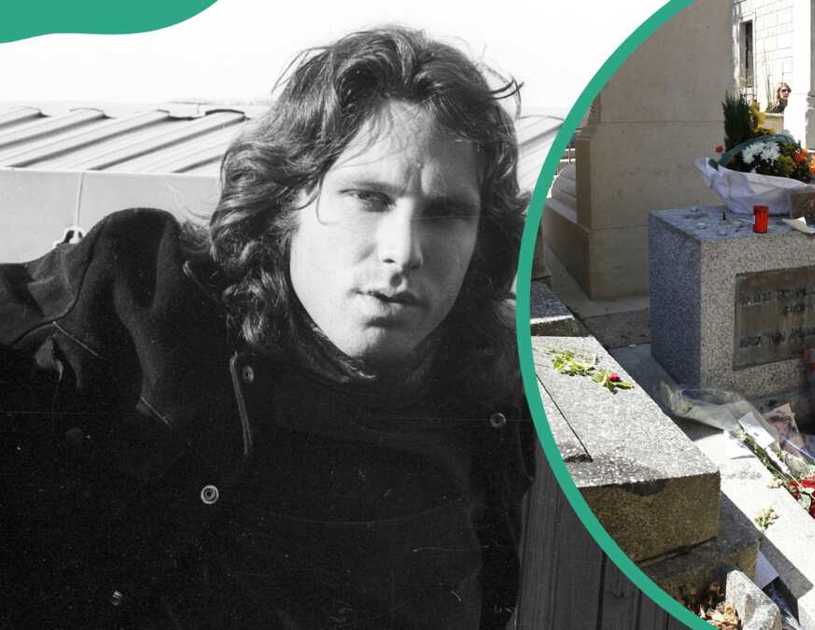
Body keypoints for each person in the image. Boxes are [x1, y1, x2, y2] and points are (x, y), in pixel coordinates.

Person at [0, 26, 532, 629]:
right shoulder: (143, 305)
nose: (404, 250)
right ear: (287, 206)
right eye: (368, 198)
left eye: (445, 214)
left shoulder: (491, 394)